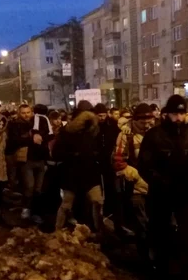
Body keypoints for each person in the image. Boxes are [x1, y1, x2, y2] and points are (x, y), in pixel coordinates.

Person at [138, 94, 188, 280]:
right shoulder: (154, 136)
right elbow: (145, 165)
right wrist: (161, 182)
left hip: (185, 197)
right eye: (174, 114)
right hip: (161, 196)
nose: (178, 118)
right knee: (161, 238)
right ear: (166, 114)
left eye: (181, 113)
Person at [53, 100, 104, 234]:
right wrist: (74, 155)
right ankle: (57, 231)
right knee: (67, 205)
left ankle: (98, 231)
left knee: (97, 202)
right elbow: (57, 153)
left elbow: (101, 149)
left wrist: (96, 155)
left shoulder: (96, 131)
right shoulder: (68, 132)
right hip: (73, 174)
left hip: (89, 172)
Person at [113, 103, 154, 268]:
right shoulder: (125, 136)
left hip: (158, 188)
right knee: (142, 226)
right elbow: (117, 162)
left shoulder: (156, 133)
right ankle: (146, 261)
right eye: (142, 120)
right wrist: (137, 177)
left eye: (148, 119)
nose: (146, 124)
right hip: (138, 189)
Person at [24, 104, 51, 223]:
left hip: (40, 160)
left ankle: (34, 212)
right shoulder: (41, 120)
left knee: (37, 188)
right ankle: (27, 209)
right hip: (30, 159)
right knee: (30, 186)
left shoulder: (39, 119)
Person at [94, 103, 120, 222]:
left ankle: (110, 210)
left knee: (111, 187)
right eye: (99, 115)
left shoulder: (112, 125)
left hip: (109, 160)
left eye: (104, 115)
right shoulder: (93, 126)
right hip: (97, 160)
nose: (102, 118)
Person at [5, 103, 33, 198]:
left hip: (26, 156)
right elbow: (14, 140)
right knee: (14, 176)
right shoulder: (14, 124)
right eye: (23, 113)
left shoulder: (33, 123)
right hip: (13, 153)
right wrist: (30, 139)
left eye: (28, 112)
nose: (26, 115)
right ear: (19, 113)